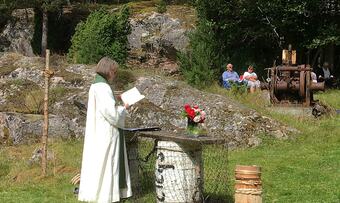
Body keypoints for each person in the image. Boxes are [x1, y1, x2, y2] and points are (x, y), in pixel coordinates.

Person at [78, 57, 132, 203]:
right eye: (114, 72)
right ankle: (106, 195)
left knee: (98, 163)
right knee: (108, 162)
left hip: (98, 130)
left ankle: (97, 193)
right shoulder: (103, 87)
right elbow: (111, 114)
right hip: (106, 131)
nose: (115, 75)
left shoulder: (97, 85)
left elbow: (104, 106)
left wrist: (115, 98)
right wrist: (124, 107)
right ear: (108, 71)